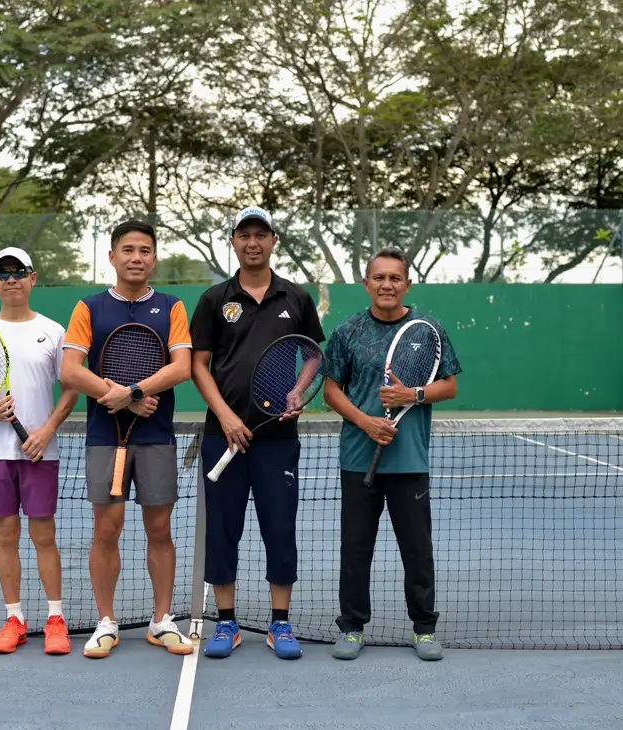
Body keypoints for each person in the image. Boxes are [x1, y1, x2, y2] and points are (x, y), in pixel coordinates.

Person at [189, 206, 325, 660]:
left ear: (273, 241)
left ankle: (279, 623)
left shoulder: (296, 297)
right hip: (222, 436)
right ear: (233, 241)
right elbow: (198, 365)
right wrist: (226, 417)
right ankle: (227, 623)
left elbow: (312, 354)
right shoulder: (214, 299)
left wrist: (298, 391)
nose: (253, 242)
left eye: (260, 235)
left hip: (277, 439)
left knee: (280, 529)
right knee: (223, 530)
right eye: (244, 235)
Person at [60, 220, 194, 659]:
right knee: (106, 529)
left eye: (145, 250)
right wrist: (118, 396)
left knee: (160, 529)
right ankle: (106, 622)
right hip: (105, 437)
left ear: (154, 258)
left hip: (156, 436)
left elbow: (182, 367)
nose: (137, 258)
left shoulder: (172, 307)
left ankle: (162, 620)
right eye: (128, 250)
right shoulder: (89, 308)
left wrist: (133, 392)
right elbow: (70, 371)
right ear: (113, 257)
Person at [323, 246, 461, 662]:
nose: (387, 285)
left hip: (410, 460)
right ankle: (352, 627)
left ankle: (424, 629)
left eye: (395, 278)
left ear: (407, 284)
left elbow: (449, 386)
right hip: (357, 459)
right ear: (366, 283)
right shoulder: (347, 332)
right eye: (379, 277)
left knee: (417, 550)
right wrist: (366, 423)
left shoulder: (428, 329)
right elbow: (332, 391)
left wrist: (412, 395)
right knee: (356, 548)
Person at [0, 246, 79, 655]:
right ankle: (14, 619)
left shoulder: (54, 332)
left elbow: (71, 389)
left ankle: (56, 619)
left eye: (19, 272)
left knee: (45, 536)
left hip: (40, 451)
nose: (12, 279)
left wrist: (47, 431)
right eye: (3, 274)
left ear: (32, 278)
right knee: (6, 536)